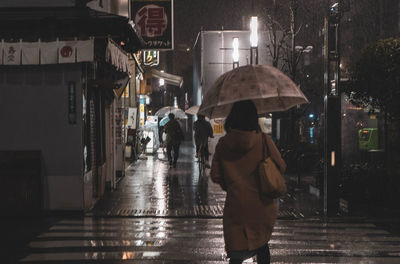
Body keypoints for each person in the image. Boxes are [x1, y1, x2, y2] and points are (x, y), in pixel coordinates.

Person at [210, 100, 286, 264]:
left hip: (236, 204)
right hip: (262, 204)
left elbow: (215, 175)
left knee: (236, 252)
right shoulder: (263, 140)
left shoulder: (224, 144)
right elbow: (281, 165)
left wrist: (230, 182)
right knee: (262, 244)